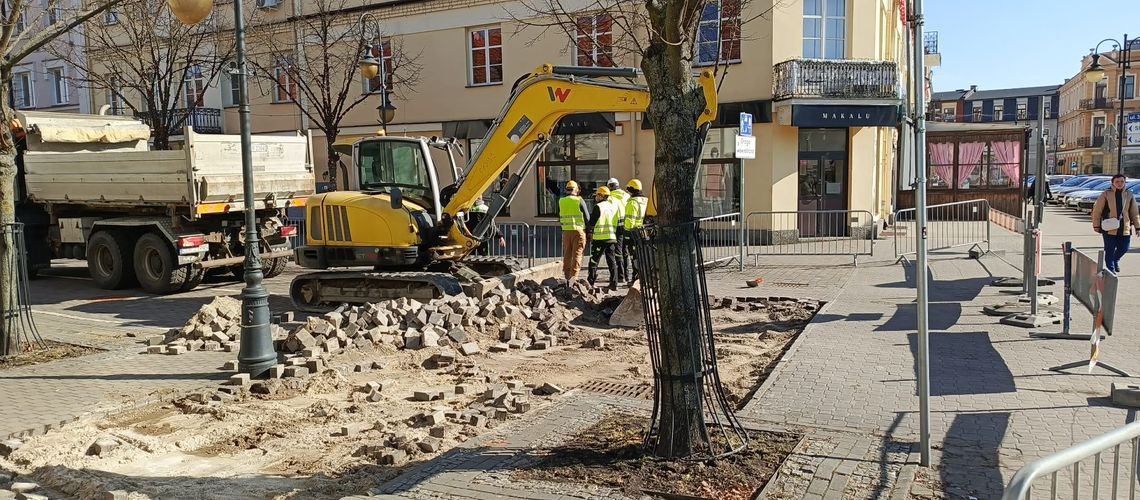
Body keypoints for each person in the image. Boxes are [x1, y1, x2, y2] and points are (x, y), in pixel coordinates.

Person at [1092, 173, 1140, 273]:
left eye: (1122, 181)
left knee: (1124, 248)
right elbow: (1097, 210)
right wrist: (1096, 225)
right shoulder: (1106, 194)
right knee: (1109, 249)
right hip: (1109, 228)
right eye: (1117, 181)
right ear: (1112, 183)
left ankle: (1115, 259)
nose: (1119, 183)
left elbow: (1134, 212)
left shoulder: (1129, 195)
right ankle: (1111, 269)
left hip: (1125, 227)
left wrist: (1138, 227)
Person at [586, 186, 620, 289]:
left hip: (599, 238)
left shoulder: (598, 207)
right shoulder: (613, 207)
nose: (596, 197)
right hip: (611, 237)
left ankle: (590, 282)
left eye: (597, 195)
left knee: (594, 260)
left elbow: (592, 222)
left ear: (601, 196)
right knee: (612, 261)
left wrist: (590, 231)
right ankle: (614, 283)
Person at [558, 181, 589, 282]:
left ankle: (567, 276)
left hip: (566, 231)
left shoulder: (561, 201)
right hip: (579, 230)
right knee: (577, 254)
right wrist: (589, 231)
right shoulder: (579, 200)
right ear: (575, 189)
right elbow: (587, 217)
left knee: (567, 254)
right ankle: (574, 278)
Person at [623, 179, 648, 282]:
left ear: (631, 189)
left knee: (635, 257)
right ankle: (645, 277)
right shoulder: (646, 200)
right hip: (644, 232)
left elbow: (629, 220)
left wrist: (626, 234)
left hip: (633, 233)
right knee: (644, 256)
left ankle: (636, 277)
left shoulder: (632, 203)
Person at [606, 178, 630, 282]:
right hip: (627, 226)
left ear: (609, 187)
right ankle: (627, 275)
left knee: (617, 251)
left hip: (616, 227)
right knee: (625, 250)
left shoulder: (610, 197)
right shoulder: (626, 195)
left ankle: (620, 276)